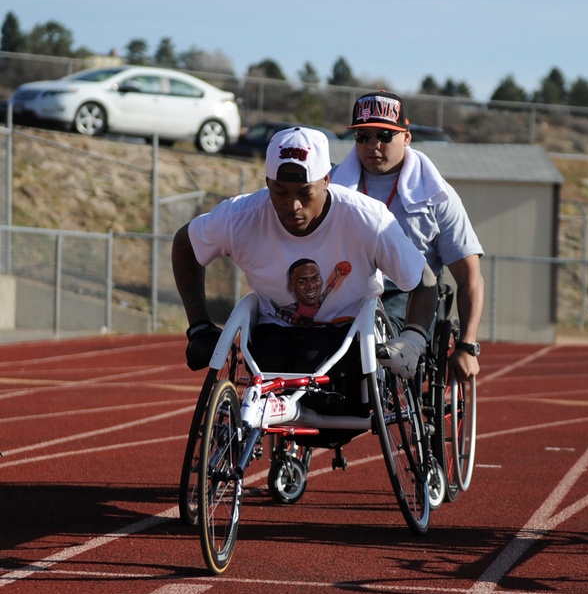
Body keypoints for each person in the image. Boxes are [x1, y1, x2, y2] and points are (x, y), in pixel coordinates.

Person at [173, 126, 438, 408]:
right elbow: (185, 243)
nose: (292, 205)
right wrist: (199, 326)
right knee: (271, 363)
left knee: (319, 378)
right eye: (279, 191)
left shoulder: (368, 219)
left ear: (326, 180)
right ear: (267, 182)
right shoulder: (241, 217)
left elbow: (425, 281)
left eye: (304, 192)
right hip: (275, 329)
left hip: (347, 332)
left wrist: (413, 338)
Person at [330, 90, 485, 382]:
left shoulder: (436, 196)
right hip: (341, 290)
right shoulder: (330, 187)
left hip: (408, 295)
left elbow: (470, 277)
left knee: (371, 338)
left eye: (385, 136)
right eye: (363, 136)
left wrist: (466, 346)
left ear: (407, 137)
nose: (373, 145)